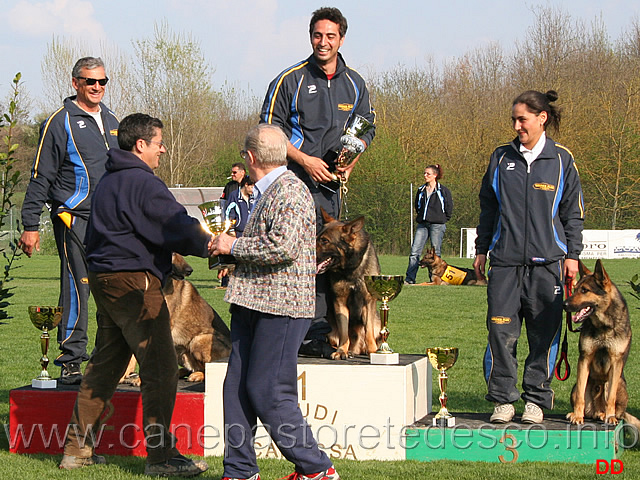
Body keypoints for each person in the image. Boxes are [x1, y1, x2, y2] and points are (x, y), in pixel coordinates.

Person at [59, 113, 211, 477]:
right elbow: (175, 226)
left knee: (106, 365)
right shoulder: (144, 183)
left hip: (104, 279)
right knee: (160, 368)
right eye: (159, 142)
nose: (162, 148)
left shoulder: (110, 180)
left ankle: (75, 450)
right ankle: (162, 458)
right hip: (136, 284)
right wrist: (211, 242)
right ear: (140, 145)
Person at [212, 124, 340, 480]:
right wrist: (230, 246)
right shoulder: (271, 191)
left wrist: (232, 246)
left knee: (268, 390)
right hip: (252, 302)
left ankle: (317, 470)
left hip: (281, 308)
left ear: (250, 157)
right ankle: (239, 471)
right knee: (236, 387)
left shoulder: (292, 191)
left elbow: (282, 247)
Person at [260, 6, 376, 358]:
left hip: (331, 190)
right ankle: (294, 331)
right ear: (310, 37)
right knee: (295, 259)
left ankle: (327, 333)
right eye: (317, 35)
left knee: (329, 262)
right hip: (295, 186)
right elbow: (269, 131)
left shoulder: (355, 83)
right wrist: (305, 161)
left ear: (341, 39)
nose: (323, 42)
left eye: (330, 36)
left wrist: (352, 161)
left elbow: (366, 126)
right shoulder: (289, 80)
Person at [473, 90, 585, 425]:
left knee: (544, 335)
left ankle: (535, 400)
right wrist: (481, 249)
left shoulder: (562, 160)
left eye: (522, 119)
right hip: (505, 263)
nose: (517, 125)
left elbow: (573, 214)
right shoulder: (500, 158)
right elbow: (488, 207)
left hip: (548, 265)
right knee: (500, 333)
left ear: (542, 118)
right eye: (514, 119)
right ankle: (504, 401)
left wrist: (572, 257)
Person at [18, 57, 119, 385]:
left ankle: (108, 354)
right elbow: (39, 176)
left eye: (103, 82)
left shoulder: (113, 120)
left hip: (110, 222)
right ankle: (71, 358)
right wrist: (30, 225)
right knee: (79, 285)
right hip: (73, 218)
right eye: (90, 81)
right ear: (75, 82)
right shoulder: (59, 122)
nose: (97, 88)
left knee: (112, 286)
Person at [404, 164, 453, 284]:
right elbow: (417, 206)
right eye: (424, 173)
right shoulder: (421, 190)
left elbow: (449, 207)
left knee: (436, 253)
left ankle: (435, 278)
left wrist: (442, 219)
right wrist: (422, 217)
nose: (425, 175)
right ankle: (410, 279)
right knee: (414, 252)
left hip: (437, 225)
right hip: (423, 225)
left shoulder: (443, 191)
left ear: (435, 175)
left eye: (428, 174)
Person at [219, 175, 255, 288]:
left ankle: (247, 281)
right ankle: (227, 282)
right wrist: (232, 231)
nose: (254, 190)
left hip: (250, 234)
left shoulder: (254, 197)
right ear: (246, 185)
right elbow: (229, 213)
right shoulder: (234, 195)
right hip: (237, 233)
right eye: (252, 186)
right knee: (233, 260)